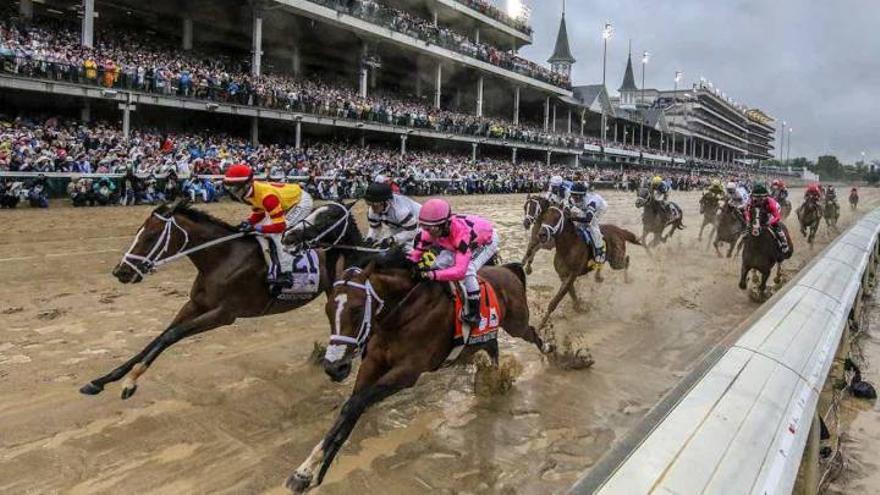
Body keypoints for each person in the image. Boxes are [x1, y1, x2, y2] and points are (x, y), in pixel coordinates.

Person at [409, 199, 499, 327]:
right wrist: (412, 264)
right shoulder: (432, 229)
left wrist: (430, 275)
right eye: (425, 228)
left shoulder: (460, 234)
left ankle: (475, 313)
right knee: (436, 264)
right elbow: (416, 255)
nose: (427, 232)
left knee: (469, 270)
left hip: (485, 240)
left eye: (430, 229)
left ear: (444, 225)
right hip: (453, 240)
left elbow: (460, 272)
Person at [223, 163, 313, 290]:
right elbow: (259, 212)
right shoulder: (252, 191)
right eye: (229, 188)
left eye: (234, 188)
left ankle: (286, 273)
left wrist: (256, 228)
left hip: (300, 202)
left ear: (246, 185)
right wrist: (249, 222)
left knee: (279, 235)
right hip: (284, 200)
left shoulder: (267, 197)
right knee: (261, 228)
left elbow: (280, 226)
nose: (231, 192)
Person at [363, 182, 421, 250]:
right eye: (369, 204)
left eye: (375, 204)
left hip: (420, 225)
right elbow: (374, 227)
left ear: (386, 202)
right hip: (398, 226)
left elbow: (412, 231)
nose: (372, 208)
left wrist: (393, 239)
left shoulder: (400, 210)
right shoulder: (373, 210)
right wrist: (370, 239)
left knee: (408, 250)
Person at [567, 182, 607, 263]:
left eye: (575, 195)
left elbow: (588, 219)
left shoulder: (592, 202)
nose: (573, 197)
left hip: (600, 208)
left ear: (581, 195)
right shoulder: (572, 198)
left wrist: (573, 218)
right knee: (579, 222)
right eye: (572, 194)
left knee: (592, 225)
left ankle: (600, 250)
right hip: (585, 208)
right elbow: (569, 208)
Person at [745, 184, 790, 255]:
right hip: (760, 212)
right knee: (750, 224)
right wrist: (748, 220)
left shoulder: (770, 203)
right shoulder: (750, 201)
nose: (759, 200)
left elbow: (777, 217)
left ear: (765, 197)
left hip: (771, 211)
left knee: (775, 226)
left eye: (761, 198)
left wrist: (769, 222)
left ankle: (784, 243)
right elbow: (747, 212)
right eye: (756, 198)